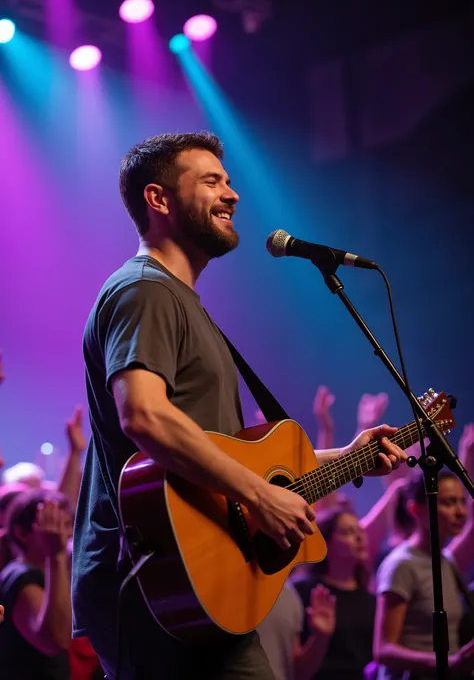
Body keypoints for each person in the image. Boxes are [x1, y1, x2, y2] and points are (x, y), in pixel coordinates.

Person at [71, 131, 406, 680]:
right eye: (211, 182)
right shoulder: (144, 290)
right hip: (152, 582)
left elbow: (228, 460)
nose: (233, 195)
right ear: (158, 199)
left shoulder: (184, 304)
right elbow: (144, 416)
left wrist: (349, 455)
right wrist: (259, 497)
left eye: (227, 181)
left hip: (201, 577)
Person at [374, 468, 474, 680]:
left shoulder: (446, 561)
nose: (461, 512)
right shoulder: (402, 565)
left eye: (461, 501)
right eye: (448, 503)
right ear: (415, 510)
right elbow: (383, 649)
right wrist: (447, 662)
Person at [294, 505, 376, 680]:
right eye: (348, 532)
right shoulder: (304, 590)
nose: (360, 537)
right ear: (326, 543)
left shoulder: (371, 599)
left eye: (360, 530)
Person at [0, 488, 72, 680]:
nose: (66, 534)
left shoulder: (43, 573)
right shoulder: (21, 577)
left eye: (66, 525)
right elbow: (55, 641)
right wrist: (55, 555)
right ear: (22, 533)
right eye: (55, 526)